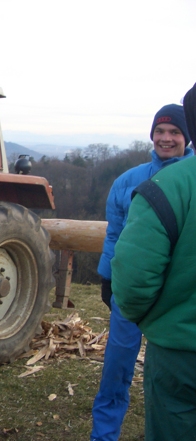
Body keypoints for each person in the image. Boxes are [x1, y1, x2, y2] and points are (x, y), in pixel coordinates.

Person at [91, 103, 192, 441]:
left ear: (187, 137)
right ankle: (104, 433)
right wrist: (108, 277)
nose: (166, 139)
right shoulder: (128, 181)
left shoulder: (188, 179)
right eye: (160, 132)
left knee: (173, 377)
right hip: (131, 291)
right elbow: (115, 234)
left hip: (176, 297)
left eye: (175, 132)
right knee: (116, 368)